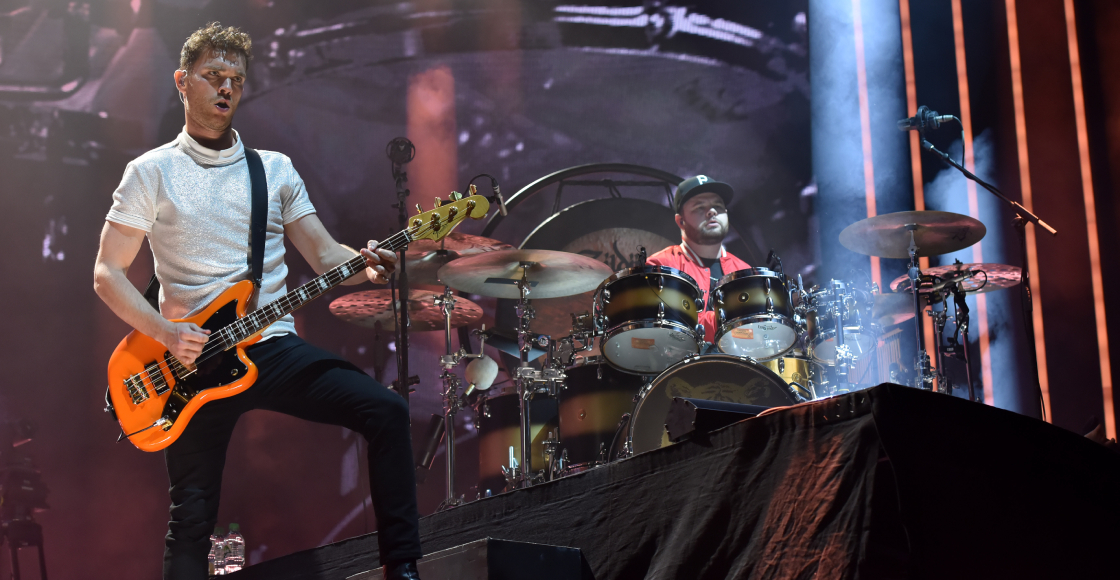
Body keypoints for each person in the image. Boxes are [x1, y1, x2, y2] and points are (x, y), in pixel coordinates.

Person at [92, 23, 422, 580]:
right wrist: (168, 333)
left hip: (269, 346)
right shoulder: (150, 172)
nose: (226, 88)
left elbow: (323, 257)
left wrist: (362, 262)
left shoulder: (274, 170)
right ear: (182, 82)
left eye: (236, 81)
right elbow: (106, 273)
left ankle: (404, 570)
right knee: (191, 517)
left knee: (386, 411)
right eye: (213, 76)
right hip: (188, 362)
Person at [646, 175, 751, 344]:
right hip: (685, 368)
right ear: (681, 221)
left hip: (737, 367)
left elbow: (754, 337)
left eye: (718, 206)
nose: (712, 211)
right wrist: (737, 320)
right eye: (699, 207)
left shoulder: (744, 270)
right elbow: (679, 329)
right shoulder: (661, 265)